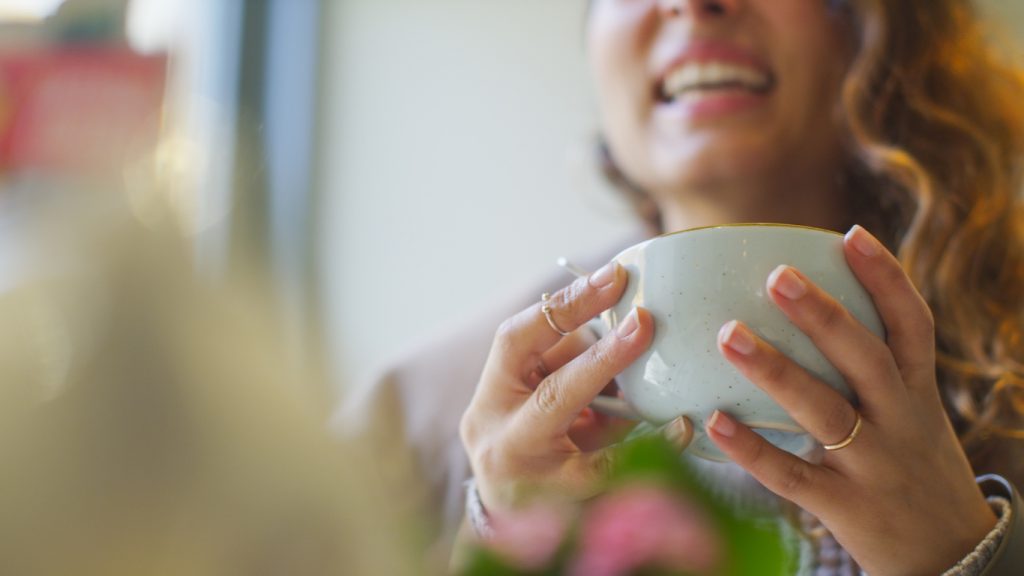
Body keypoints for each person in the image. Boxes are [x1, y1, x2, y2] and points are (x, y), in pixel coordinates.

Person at [342, 0, 1024, 573]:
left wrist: (965, 554)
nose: (694, 2)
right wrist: (498, 546)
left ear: (879, 24)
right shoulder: (407, 426)